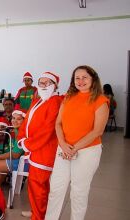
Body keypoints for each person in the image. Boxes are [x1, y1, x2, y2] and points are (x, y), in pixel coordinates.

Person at [46, 65, 109, 220]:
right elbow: (58, 123)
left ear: (93, 79)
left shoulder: (101, 100)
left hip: (86, 151)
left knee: (78, 192)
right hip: (64, 148)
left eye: (84, 77)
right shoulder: (68, 97)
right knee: (56, 189)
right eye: (77, 78)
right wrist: (62, 143)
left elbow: (97, 131)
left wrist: (73, 148)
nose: (80, 81)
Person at [17, 71, 63, 220]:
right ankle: (37, 211)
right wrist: (21, 139)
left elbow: (48, 131)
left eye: (47, 83)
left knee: (39, 188)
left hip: (44, 151)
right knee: (36, 186)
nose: (43, 86)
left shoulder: (55, 102)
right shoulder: (38, 100)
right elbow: (25, 122)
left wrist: (28, 144)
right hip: (33, 150)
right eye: (41, 83)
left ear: (55, 85)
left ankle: (38, 216)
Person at [0, 109, 26, 185]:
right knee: (0, 162)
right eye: (13, 118)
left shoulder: (22, 132)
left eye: (19, 119)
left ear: (25, 120)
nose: (15, 121)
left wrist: (0, 156)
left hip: (26, 162)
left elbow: (15, 154)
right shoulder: (17, 130)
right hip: (23, 159)